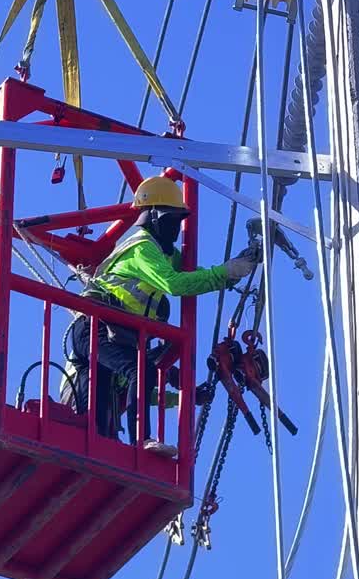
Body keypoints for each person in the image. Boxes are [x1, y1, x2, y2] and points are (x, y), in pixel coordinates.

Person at [62, 176, 256, 456]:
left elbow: (192, 276)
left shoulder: (164, 255)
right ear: (154, 217)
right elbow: (175, 284)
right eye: (172, 221)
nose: (176, 229)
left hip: (111, 334)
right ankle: (141, 441)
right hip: (94, 327)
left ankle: (114, 446)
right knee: (136, 373)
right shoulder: (142, 247)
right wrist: (226, 272)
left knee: (127, 383)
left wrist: (231, 271)